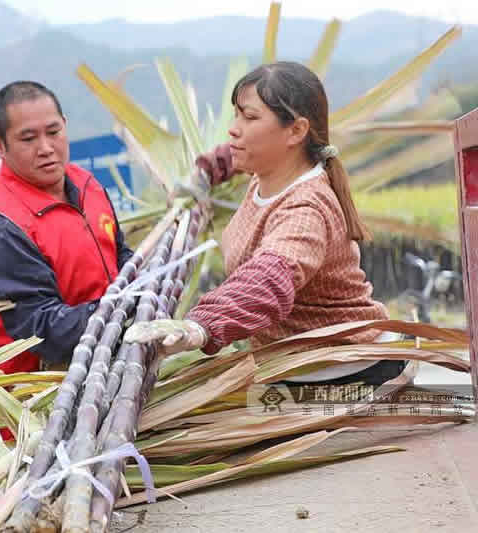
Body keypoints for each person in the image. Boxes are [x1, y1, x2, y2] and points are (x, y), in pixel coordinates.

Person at [125, 61, 405, 386]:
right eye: (236, 114)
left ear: (296, 131)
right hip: (288, 363)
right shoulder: (266, 170)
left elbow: (270, 278)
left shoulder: (306, 208)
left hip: (337, 370)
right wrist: (205, 171)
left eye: (250, 117)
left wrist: (201, 324)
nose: (234, 128)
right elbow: (230, 154)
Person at [0, 81, 133, 375]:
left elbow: (119, 254)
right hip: (44, 401)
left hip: (108, 369)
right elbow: (42, 330)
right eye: (28, 139)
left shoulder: (86, 185)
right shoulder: (2, 227)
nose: (45, 148)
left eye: (53, 132)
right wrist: (125, 307)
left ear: (65, 126)